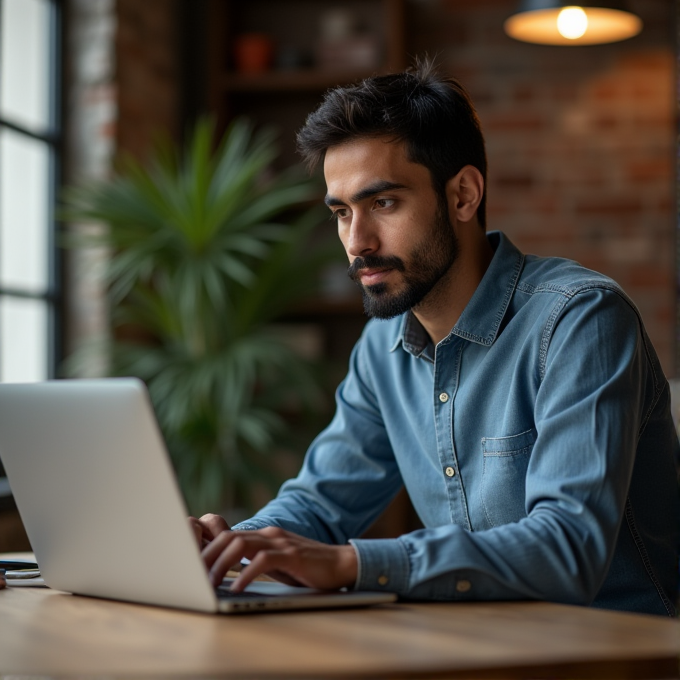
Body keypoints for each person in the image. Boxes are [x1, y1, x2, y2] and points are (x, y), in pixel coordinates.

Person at [190, 60, 680, 617]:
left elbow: (568, 548)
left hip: (618, 656)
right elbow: (320, 503)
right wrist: (226, 545)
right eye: (342, 213)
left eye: (383, 203)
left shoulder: (580, 320)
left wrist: (351, 564)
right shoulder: (383, 348)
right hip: (471, 648)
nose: (358, 242)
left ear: (464, 195)